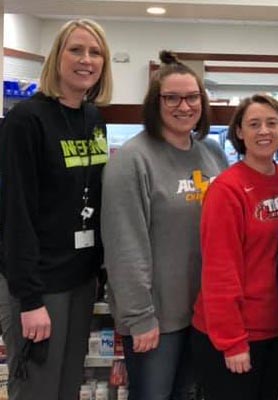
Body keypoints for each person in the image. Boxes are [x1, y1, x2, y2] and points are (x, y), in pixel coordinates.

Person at [101, 50, 228, 400]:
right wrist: (140, 317)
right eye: (171, 97)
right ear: (154, 103)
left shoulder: (212, 152)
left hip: (202, 314)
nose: (183, 106)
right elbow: (125, 246)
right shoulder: (132, 161)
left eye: (192, 97)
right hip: (157, 320)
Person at [0, 18, 112, 400]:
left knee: (67, 387)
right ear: (56, 57)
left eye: (95, 52)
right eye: (76, 50)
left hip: (80, 279)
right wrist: (29, 299)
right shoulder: (25, 121)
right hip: (39, 283)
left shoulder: (93, 118)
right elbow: (15, 214)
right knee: (36, 388)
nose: (86, 60)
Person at [190, 94, 278, 400]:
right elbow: (220, 269)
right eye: (254, 124)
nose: (264, 131)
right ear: (239, 132)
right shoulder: (227, 189)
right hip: (235, 336)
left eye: (272, 123)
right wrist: (232, 341)